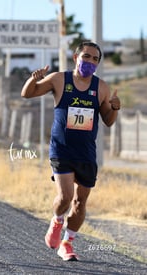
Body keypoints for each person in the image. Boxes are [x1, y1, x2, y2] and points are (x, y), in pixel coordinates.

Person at [20, 41, 121, 261]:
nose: (90, 62)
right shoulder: (59, 79)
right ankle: (56, 221)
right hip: (61, 149)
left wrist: (114, 107)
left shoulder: (101, 87)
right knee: (65, 197)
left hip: (86, 152)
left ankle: (67, 243)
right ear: (76, 58)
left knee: (80, 202)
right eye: (86, 57)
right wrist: (33, 79)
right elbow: (28, 94)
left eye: (95, 59)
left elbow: (108, 121)